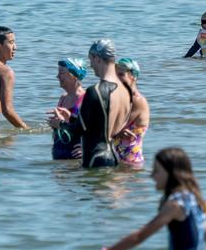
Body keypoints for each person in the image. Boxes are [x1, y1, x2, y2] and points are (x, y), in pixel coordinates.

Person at [68, 39, 131, 168]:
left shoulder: (95, 91)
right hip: (114, 156)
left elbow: (77, 131)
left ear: (97, 58)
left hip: (95, 158)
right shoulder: (126, 91)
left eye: (90, 60)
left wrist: (60, 123)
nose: (91, 65)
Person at [46, 58, 86, 160]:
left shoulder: (85, 99)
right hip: (59, 154)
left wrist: (86, 148)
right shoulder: (63, 98)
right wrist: (54, 124)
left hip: (76, 156)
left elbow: (94, 129)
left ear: (74, 75)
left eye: (61, 73)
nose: (57, 76)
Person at [114, 58, 150, 167]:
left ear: (133, 76)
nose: (117, 79)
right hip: (117, 161)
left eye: (121, 74)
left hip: (130, 164)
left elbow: (115, 128)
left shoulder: (138, 101)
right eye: (115, 75)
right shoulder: (121, 99)